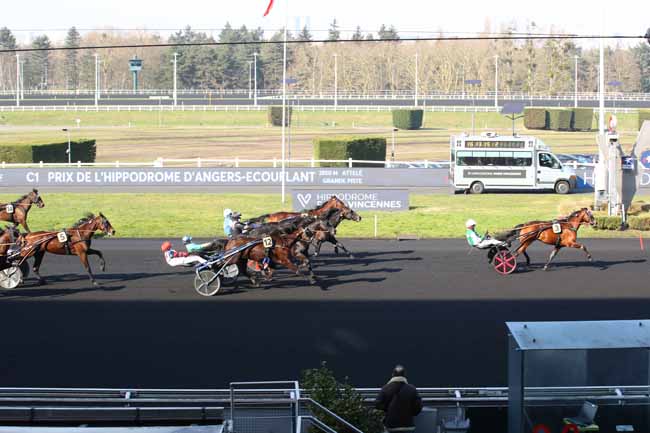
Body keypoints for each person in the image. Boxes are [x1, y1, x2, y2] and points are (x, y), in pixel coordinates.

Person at [375, 365, 422, 433]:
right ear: (404, 375)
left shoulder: (385, 388)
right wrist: (410, 413)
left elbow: (377, 405)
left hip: (391, 425)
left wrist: (388, 410)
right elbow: (418, 407)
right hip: (408, 425)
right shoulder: (412, 389)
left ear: (393, 375)